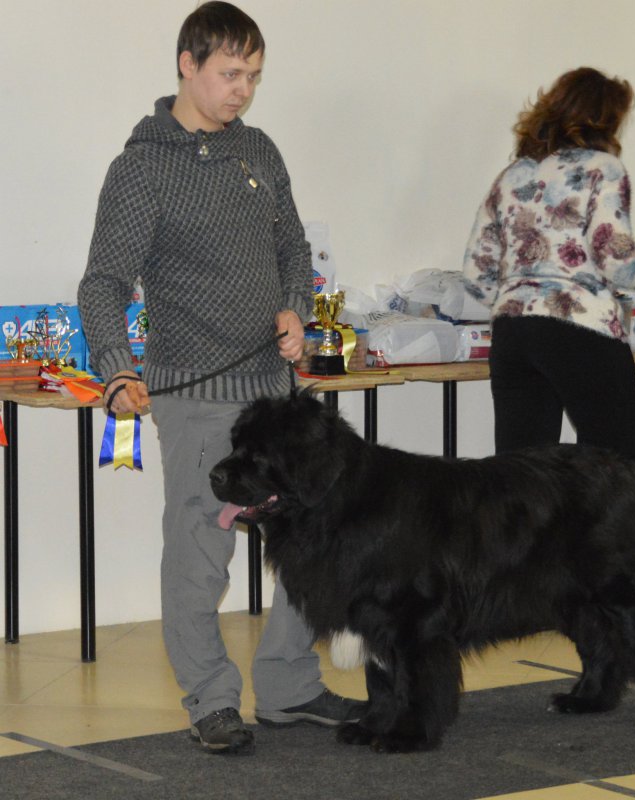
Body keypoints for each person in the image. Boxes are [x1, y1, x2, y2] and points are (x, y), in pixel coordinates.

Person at [78, 1, 365, 755]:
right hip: (198, 398)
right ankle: (211, 700)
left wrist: (295, 309)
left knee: (312, 544)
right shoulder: (141, 167)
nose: (243, 90)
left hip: (278, 395)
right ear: (187, 63)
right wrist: (115, 371)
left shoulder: (260, 152)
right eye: (230, 73)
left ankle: (290, 688)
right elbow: (103, 282)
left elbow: (295, 251)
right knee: (202, 557)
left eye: (254, 76)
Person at [463, 67, 635, 467]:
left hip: (513, 331)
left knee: (522, 472)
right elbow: (614, 255)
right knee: (620, 459)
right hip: (579, 326)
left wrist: (519, 297)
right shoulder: (603, 167)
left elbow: (477, 272)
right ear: (604, 119)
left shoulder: (514, 175)